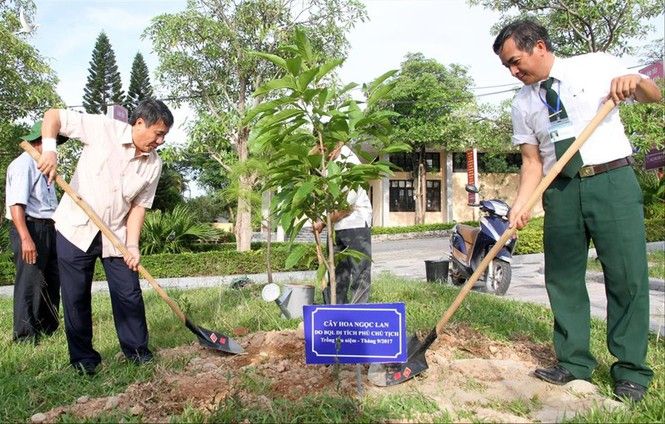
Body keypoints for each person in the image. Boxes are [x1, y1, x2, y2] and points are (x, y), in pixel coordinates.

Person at [493, 19, 662, 402]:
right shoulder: (523, 103)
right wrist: (521, 205)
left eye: (516, 62)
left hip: (611, 181)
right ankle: (572, 361)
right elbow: (532, 162)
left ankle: (631, 371)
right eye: (507, 67)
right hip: (561, 188)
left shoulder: (596, 64)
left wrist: (634, 82)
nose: (514, 71)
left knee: (627, 276)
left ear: (539, 46)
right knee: (563, 277)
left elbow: (653, 94)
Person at [36, 99, 173, 375]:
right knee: (75, 298)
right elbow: (53, 116)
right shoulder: (102, 129)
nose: (160, 141)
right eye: (157, 133)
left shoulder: (153, 164)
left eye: (164, 136)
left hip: (117, 234)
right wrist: (50, 151)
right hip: (76, 227)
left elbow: (139, 206)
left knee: (129, 293)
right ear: (139, 123)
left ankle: (137, 353)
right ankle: (84, 361)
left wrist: (132, 245)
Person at [5, 122, 68, 343]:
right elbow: (16, 205)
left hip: (50, 226)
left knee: (52, 278)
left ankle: (48, 327)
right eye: (52, 142)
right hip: (30, 227)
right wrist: (25, 238)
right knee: (30, 280)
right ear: (40, 141)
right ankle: (24, 335)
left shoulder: (44, 165)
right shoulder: (23, 164)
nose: (55, 148)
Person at [313, 144, 373, 305]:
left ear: (338, 144)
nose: (322, 151)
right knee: (336, 274)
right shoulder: (329, 163)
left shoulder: (350, 163)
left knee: (360, 273)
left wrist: (323, 223)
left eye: (324, 148)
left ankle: (357, 316)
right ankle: (336, 315)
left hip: (355, 225)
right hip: (336, 227)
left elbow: (346, 208)